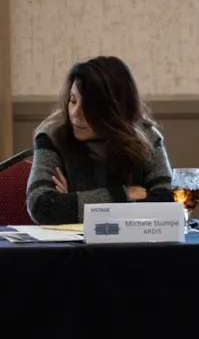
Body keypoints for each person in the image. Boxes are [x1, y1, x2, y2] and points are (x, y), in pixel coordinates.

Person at [26, 56, 173, 225]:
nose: (75, 113)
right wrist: (122, 195)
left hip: (132, 247)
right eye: (72, 100)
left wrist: (72, 202)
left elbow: (165, 202)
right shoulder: (51, 135)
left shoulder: (145, 136)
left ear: (114, 110)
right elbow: (42, 206)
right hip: (72, 249)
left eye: (88, 107)